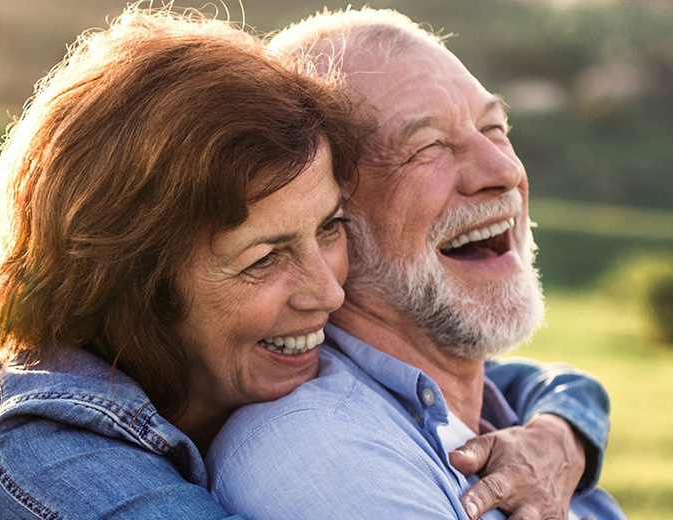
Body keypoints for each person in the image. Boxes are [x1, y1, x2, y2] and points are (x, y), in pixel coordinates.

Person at [0, 7, 610, 519]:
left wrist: (562, 433)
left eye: (330, 227)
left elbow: (519, 381)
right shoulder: (55, 458)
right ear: (138, 284)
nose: (327, 291)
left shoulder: (230, 366)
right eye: (265, 258)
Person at [209, 9, 627, 520]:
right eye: (426, 146)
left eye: (493, 128)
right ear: (324, 212)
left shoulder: (509, 421)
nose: (504, 171)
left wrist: (565, 423)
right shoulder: (326, 452)